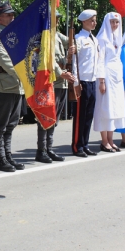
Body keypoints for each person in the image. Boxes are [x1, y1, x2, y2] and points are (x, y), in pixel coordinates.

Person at [0, 1, 25, 172]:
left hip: (17, 85)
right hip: (3, 84)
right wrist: (23, 75)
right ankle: (0, 158)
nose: (12, 17)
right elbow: (4, 60)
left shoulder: (15, 34)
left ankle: (8, 156)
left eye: (12, 14)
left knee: (11, 124)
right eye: (8, 15)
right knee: (0, 124)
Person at [36, 14, 76, 163]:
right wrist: (61, 73)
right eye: (54, 18)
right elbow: (47, 57)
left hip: (61, 82)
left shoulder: (57, 35)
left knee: (55, 118)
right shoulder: (45, 36)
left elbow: (71, 42)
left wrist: (73, 47)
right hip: (51, 81)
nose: (57, 21)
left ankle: (49, 149)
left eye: (58, 18)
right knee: (46, 116)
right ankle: (41, 150)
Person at [93, 12, 125, 152]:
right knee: (104, 108)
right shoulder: (102, 38)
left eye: (117, 22)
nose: (115, 25)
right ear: (107, 22)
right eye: (112, 22)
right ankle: (104, 140)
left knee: (114, 109)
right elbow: (100, 61)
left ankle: (111, 140)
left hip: (116, 79)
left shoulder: (117, 39)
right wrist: (101, 81)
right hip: (106, 77)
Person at [71, 9, 99, 158]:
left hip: (92, 80)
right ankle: (77, 145)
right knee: (80, 116)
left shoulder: (94, 39)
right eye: (92, 20)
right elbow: (75, 62)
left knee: (89, 115)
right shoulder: (78, 39)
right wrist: (76, 82)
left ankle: (85, 143)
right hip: (83, 81)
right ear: (84, 21)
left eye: (95, 20)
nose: (94, 23)